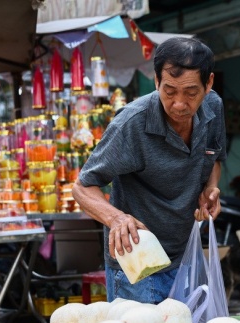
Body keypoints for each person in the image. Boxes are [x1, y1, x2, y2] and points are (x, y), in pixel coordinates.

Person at [72, 37, 226, 303]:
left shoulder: (213, 107)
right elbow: (82, 187)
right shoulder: (132, 123)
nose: (179, 104)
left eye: (191, 93)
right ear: (156, 82)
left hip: (184, 256)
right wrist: (116, 219)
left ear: (208, 83)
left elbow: (215, 156)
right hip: (137, 262)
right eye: (169, 91)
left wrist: (210, 187)